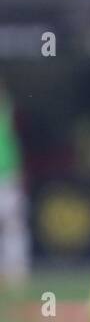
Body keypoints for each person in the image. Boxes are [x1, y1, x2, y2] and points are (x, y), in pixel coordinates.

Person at [0, 81, 27, 289]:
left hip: (6, 172)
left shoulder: (5, 105)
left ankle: (15, 271)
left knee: (13, 224)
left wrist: (18, 172)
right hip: (8, 171)